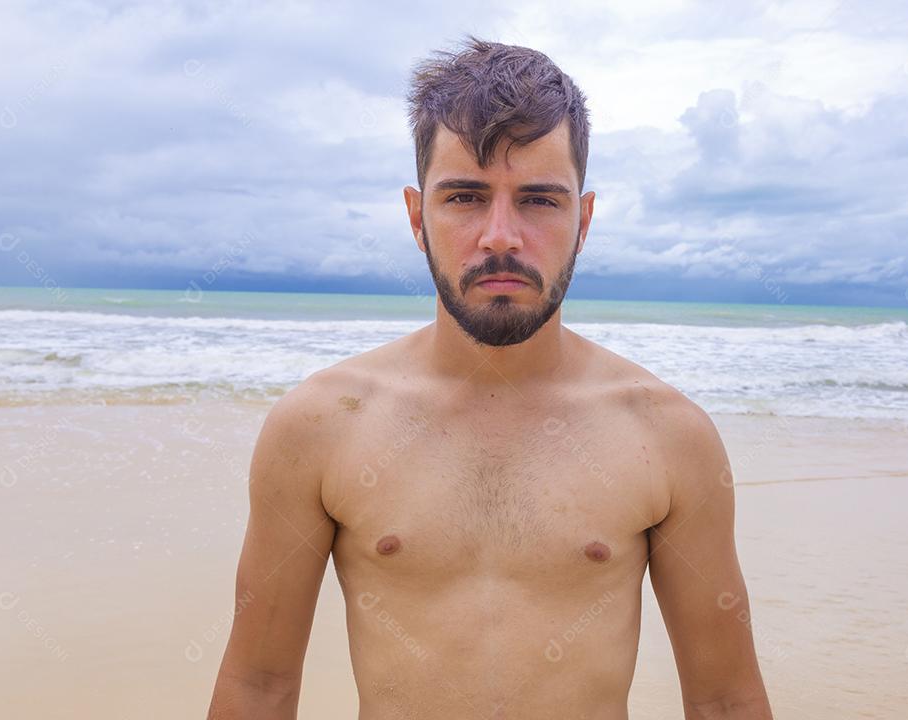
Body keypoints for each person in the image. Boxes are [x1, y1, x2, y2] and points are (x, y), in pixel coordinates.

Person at [206, 35, 773, 720]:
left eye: (538, 200)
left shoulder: (667, 435)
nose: (500, 235)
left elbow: (724, 699)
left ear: (583, 221)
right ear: (418, 217)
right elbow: (259, 686)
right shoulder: (324, 424)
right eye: (466, 197)